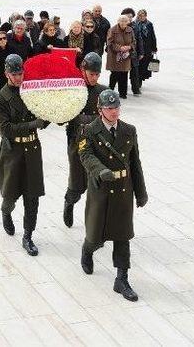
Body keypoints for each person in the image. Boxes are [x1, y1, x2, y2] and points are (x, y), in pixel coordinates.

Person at [78, 89, 148, 302]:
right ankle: (87, 250)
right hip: (101, 189)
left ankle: (122, 279)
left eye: (117, 107)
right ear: (100, 110)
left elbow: (135, 163)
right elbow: (85, 155)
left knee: (122, 235)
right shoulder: (89, 130)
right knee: (95, 235)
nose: (114, 111)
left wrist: (141, 191)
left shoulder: (129, 130)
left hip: (123, 190)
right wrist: (100, 170)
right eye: (109, 108)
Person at [0, 54, 49, 256]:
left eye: (20, 73)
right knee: (10, 195)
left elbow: (42, 115)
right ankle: (6, 212)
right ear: (6, 73)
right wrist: (34, 124)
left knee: (32, 197)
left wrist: (52, 115)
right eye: (14, 74)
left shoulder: (31, 92)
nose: (18, 77)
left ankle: (28, 235)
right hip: (12, 153)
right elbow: (6, 129)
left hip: (32, 150)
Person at [63, 52, 107, 228]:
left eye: (97, 74)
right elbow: (63, 117)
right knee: (77, 183)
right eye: (91, 74)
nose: (94, 78)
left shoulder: (103, 91)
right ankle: (69, 203)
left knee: (99, 184)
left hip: (99, 144)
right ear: (83, 70)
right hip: (77, 144)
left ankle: (96, 223)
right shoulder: (73, 90)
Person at [106, 15, 136, 99]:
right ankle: (110, 91)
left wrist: (129, 47)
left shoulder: (130, 30)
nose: (123, 23)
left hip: (125, 57)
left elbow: (134, 41)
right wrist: (120, 48)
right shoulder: (112, 30)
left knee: (124, 74)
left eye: (125, 21)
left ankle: (123, 93)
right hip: (115, 56)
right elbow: (109, 42)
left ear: (128, 22)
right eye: (121, 21)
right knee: (114, 74)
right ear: (118, 21)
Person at [121, 8, 144, 96]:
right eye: (127, 16)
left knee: (135, 72)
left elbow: (139, 40)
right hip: (123, 53)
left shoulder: (135, 26)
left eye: (131, 16)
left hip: (133, 53)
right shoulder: (120, 25)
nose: (129, 18)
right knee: (123, 72)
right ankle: (123, 91)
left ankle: (136, 89)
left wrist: (141, 52)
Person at [135, 9, 158, 88]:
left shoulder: (149, 24)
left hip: (147, 48)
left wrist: (154, 48)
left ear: (145, 16)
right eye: (140, 15)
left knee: (144, 65)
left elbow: (152, 36)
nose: (141, 17)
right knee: (138, 65)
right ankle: (137, 81)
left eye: (143, 16)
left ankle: (140, 80)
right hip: (138, 48)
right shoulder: (135, 24)